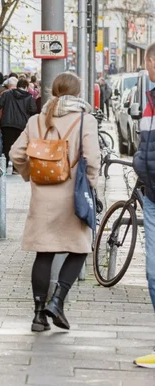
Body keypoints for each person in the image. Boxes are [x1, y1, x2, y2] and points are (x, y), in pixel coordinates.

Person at [8, 72, 100, 334]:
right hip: (71, 194)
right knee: (80, 248)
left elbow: (16, 153)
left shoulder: (37, 119)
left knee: (44, 252)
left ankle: (39, 316)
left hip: (42, 194)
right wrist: (90, 185)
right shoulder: (85, 120)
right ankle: (57, 301)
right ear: (77, 93)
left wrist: (30, 175)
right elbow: (92, 159)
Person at [132, 42, 155, 369]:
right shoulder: (150, 100)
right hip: (152, 194)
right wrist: (139, 163)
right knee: (153, 274)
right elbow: (144, 144)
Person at [0, 78, 37, 162]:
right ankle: (15, 168)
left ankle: (5, 164)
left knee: (7, 145)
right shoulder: (29, 97)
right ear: (26, 87)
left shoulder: (7, 94)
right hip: (22, 125)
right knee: (19, 146)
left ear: (17, 86)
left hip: (6, 123)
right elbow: (33, 110)